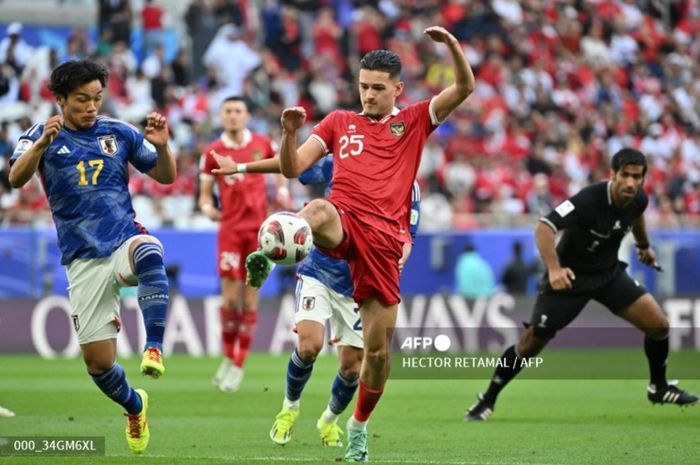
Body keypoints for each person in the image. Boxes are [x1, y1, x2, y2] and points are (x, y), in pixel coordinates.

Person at [241, 26, 474, 461]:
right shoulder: (338, 123)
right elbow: (294, 169)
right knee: (316, 209)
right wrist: (290, 133)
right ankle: (271, 254)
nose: (368, 95)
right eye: (363, 87)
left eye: (378, 88)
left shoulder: (415, 119)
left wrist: (453, 48)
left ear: (397, 89)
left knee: (378, 354)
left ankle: (358, 426)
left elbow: (465, 86)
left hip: (383, 241)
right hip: (344, 220)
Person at [8, 60, 175, 454]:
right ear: (61, 99)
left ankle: (154, 346)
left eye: (97, 98)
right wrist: (42, 145)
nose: (91, 106)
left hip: (122, 239)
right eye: (82, 99)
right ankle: (135, 406)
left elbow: (165, 177)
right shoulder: (39, 135)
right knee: (99, 365)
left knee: (151, 252)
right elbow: (15, 179)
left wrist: (164, 146)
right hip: (83, 258)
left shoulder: (119, 132)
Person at [465, 148, 698, 421]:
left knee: (659, 325)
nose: (631, 183)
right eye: (625, 175)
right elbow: (544, 226)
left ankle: (658, 387)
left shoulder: (638, 200)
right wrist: (554, 269)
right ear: (613, 175)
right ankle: (488, 398)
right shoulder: (588, 200)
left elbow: (638, 215)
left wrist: (644, 246)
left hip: (608, 275)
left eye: (637, 177)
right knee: (530, 344)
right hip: (569, 279)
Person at [211, 153, 420, 448]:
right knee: (309, 347)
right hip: (319, 270)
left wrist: (402, 256)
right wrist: (269, 150)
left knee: (351, 368)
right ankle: (289, 409)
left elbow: (408, 235)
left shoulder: (410, 188)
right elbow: (294, 166)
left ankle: (329, 419)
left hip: (361, 280)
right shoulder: (345, 160)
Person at [199, 96, 288, 393]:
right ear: (221, 116)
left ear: (247, 115)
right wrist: (208, 209)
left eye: (238, 111)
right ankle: (227, 356)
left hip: (259, 234)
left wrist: (284, 192)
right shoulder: (212, 152)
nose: (233, 116)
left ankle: (238, 363)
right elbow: (204, 195)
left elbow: (281, 173)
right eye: (228, 111)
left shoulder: (263, 143)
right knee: (229, 300)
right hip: (229, 230)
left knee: (250, 300)